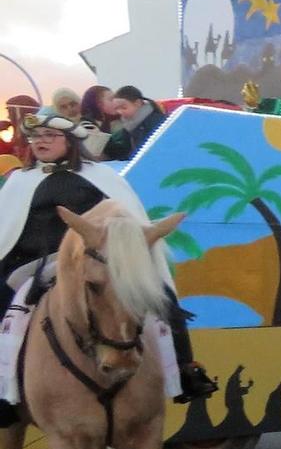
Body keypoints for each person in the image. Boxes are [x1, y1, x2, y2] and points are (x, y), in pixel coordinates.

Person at [0, 109, 216, 426]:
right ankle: (5, 393)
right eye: (35, 137)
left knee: (162, 296)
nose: (40, 142)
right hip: (31, 265)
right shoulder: (19, 181)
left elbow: (127, 219)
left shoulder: (100, 178)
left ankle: (186, 370)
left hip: (93, 259)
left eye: (49, 136)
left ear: (70, 141)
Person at [102, 85, 166, 161]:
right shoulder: (129, 125)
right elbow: (125, 152)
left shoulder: (157, 121)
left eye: (123, 107)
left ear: (138, 103)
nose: (119, 112)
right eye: (117, 108)